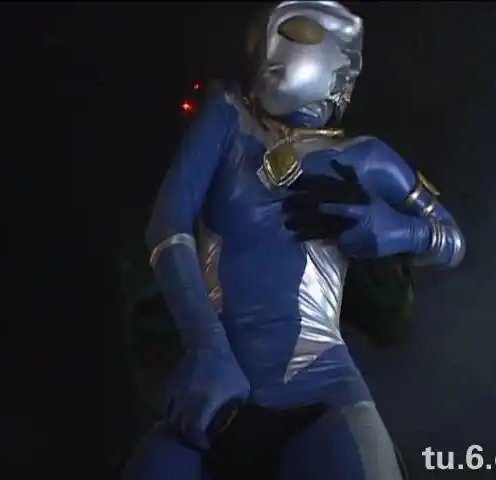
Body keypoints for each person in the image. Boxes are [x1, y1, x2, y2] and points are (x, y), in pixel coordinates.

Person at [122, 2, 465, 479]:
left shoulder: (366, 157)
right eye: (259, 35)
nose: (265, 46)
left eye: (295, 31)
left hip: (322, 390)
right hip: (217, 393)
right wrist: (205, 346)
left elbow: (451, 240)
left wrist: (392, 230)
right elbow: (167, 227)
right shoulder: (227, 115)